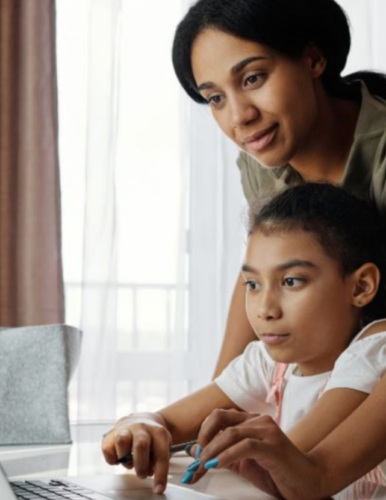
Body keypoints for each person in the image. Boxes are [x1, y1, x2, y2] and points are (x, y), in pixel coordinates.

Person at [102, 183, 386, 498]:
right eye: (252, 284)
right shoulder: (270, 363)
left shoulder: (375, 349)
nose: (265, 309)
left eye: (291, 281)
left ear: (361, 286)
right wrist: (141, 425)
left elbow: (298, 467)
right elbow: (168, 421)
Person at [171, 0, 386, 378]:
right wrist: (219, 403)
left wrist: (312, 440)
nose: (239, 117)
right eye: (215, 98)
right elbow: (260, 272)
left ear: (313, 59)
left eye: (252, 78)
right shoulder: (260, 164)